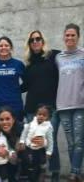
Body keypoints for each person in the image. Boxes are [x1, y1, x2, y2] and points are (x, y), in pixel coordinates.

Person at [22, 30, 60, 182]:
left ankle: (55, 172)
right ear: (29, 44)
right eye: (32, 40)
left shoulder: (53, 56)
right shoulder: (29, 65)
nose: (35, 42)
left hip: (50, 109)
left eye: (38, 39)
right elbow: (24, 86)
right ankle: (39, 173)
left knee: (51, 141)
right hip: (31, 109)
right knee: (35, 143)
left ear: (43, 41)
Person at [56, 23, 84, 182]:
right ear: (63, 37)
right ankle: (77, 172)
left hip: (80, 104)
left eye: (73, 35)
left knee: (79, 141)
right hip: (63, 105)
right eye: (67, 35)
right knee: (71, 142)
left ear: (78, 37)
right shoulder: (59, 57)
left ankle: (74, 173)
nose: (70, 38)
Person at [0, 36, 25, 121]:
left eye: (6, 45)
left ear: (11, 48)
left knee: (16, 132)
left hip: (15, 105)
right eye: (1, 46)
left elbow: (27, 83)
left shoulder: (18, 64)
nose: (3, 48)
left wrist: (15, 91)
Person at [18, 105, 53, 182]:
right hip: (28, 147)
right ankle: (24, 174)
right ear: (36, 115)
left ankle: (41, 173)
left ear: (48, 117)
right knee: (26, 160)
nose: (41, 116)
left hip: (40, 149)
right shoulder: (31, 124)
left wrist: (49, 152)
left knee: (41, 162)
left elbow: (50, 141)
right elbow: (24, 132)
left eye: (44, 115)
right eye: (39, 114)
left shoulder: (48, 127)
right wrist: (22, 141)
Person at [0, 106, 23, 182]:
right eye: (1, 120)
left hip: (21, 162)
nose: (4, 122)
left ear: (13, 119)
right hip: (5, 164)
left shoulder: (23, 129)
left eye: (8, 119)